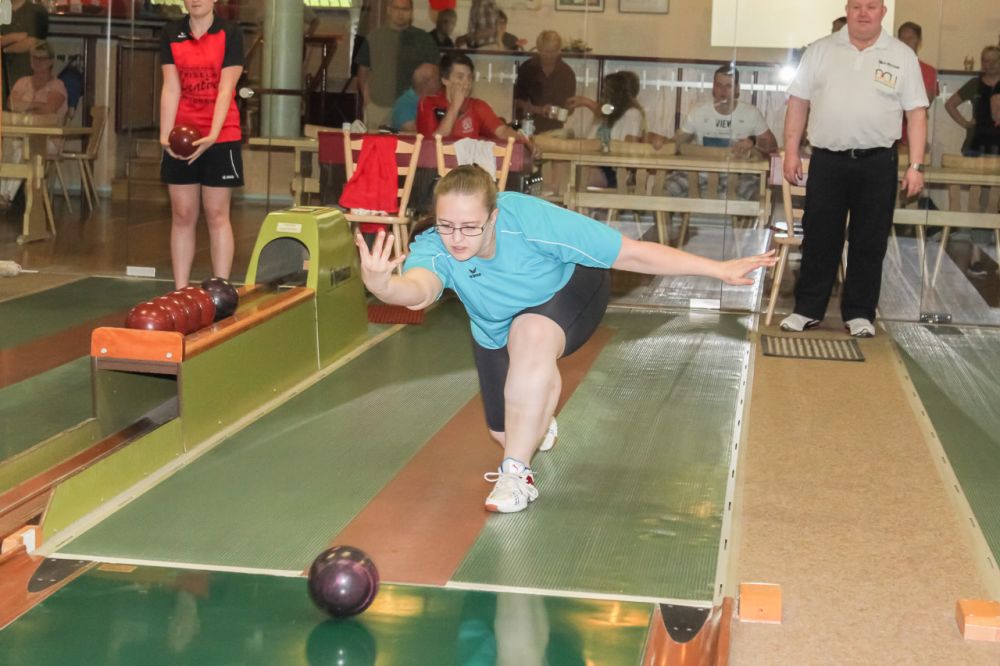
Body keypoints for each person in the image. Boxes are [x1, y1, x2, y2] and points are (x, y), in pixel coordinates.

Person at [354, 166, 776, 513]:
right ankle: (536, 403)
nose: (457, 238)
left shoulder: (532, 221)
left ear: (494, 218)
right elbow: (419, 289)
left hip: (569, 289)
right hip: (495, 327)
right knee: (505, 430)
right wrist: (383, 286)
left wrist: (718, 270)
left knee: (531, 336)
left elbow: (631, 253)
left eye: (469, 226)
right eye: (447, 226)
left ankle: (516, 476)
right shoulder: (436, 246)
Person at [781, 0, 928, 338]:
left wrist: (916, 165)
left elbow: (916, 113)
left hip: (878, 163)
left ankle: (860, 314)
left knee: (869, 241)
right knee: (819, 237)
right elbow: (798, 103)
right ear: (847, 9)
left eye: (871, 6)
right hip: (827, 161)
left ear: (883, 12)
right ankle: (807, 310)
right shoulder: (819, 50)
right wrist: (791, 152)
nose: (864, 13)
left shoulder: (902, 55)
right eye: (857, 6)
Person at [159, 0, 245, 289]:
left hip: (221, 134)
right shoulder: (171, 33)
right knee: (182, 213)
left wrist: (213, 134)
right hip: (182, 135)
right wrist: (165, 134)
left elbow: (225, 89)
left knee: (217, 213)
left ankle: (220, 289)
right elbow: (171, 87)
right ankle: (181, 290)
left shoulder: (230, 33)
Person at [664, 65, 777, 200]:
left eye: (729, 86)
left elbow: (772, 145)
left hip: (738, 174)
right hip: (699, 172)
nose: (723, 91)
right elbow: (676, 142)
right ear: (713, 87)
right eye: (719, 85)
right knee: (664, 189)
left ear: (737, 89)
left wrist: (753, 141)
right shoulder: (698, 111)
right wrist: (661, 142)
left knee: (760, 196)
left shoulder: (751, 113)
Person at [0, 41, 67, 207]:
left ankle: (5, 195)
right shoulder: (22, 82)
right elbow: (10, 104)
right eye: (34, 57)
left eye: (42, 58)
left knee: (23, 149)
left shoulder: (58, 85)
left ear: (51, 61)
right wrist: (36, 105)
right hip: (19, 136)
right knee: (8, 146)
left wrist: (25, 105)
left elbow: (49, 109)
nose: (37, 62)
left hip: (47, 140)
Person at [356, 0, 440, 130]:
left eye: (405, 9)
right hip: (379, 108)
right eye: (396, 8)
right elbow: (363, 71)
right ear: (389, 10)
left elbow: (436, 73)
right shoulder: (373, 38)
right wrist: (367, 100)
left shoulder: (424, 39)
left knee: (412, 143)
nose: (400, 13)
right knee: (375, 143)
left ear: (411, 12)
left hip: (412, 109)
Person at [416, 53, 527, 146]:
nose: (467, 83)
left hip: (468, 165)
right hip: (435, 165)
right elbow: (432, 145)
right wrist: (455, 106)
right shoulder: (428, 103)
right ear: (445, 80)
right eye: (460, 77)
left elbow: (502, 131)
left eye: (469, 77)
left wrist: (524, 140)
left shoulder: (477, 106)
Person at [566, 71, 647, 188]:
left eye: (607, 90)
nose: (603, 93)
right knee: (561, 167)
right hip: (592, 164)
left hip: (615, 170)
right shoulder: (605, 114)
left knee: (575, 177)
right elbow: (590, 141)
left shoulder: (632, 114)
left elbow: (626, 149)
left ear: (619, 93)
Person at [513, 31, 576, 134]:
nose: (549, 56)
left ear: (559, 50)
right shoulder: (527, 68)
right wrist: (539, 110)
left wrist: (566, 110)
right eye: (546, 51)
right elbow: (517, 102)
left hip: (554, 129)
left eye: (553, 51)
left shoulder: (567, 73)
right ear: (538, 49)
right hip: (527, 126)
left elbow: (570, 108)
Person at [944, 45, 1000, 156]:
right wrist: (966, 124)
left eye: (995, 60)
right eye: (987, 61)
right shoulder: (974, 84)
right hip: (975, 144)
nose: (991, 64)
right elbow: (950, 104)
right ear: (982, 63)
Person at [896, 21, 938, 146]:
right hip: (887, 135)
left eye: (910, 38)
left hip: (913, 134)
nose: (906, 42)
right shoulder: (888, 68)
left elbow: (925, 102)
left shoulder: (928, 71)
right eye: (902, 38)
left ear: (919, 41)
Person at [0, 0, 48, 104]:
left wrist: (4, 49)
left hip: (27, 74)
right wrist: (17, 37)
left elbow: (33, 42)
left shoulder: (38, 11)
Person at [390, 63, 440, 132]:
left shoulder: (438, 100)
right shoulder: (405, 103)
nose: (441, 81)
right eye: (438, 78)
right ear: (427, 82)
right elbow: (409, 129)